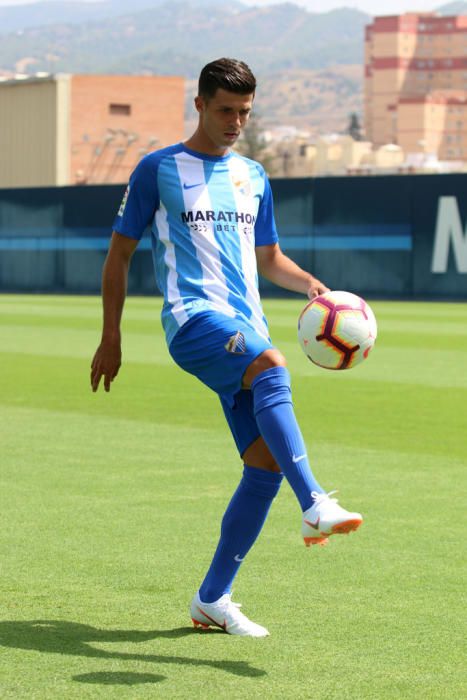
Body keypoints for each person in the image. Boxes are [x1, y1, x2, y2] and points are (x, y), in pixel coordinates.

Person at [91, 58, 363, 638]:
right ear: (199, 105)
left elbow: (268, 259)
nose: (236, 121)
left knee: (262, 464)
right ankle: (314, 501)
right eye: (225, 110)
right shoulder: (157, 169)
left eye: (244, 111)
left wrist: (311, 284)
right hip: (192, 323)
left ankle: (211, 599)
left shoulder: (255, 175)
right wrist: (111, 334)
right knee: (271, 365)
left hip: (247, 323)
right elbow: (119, 255)